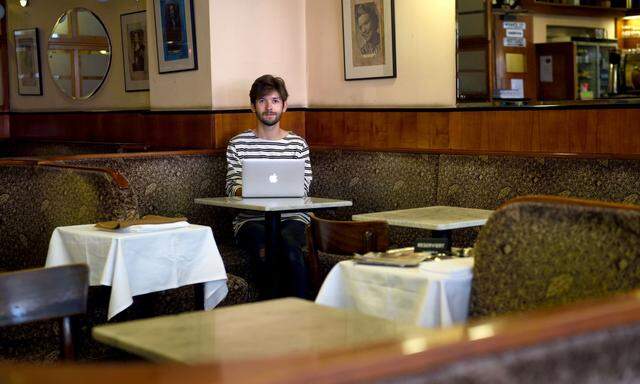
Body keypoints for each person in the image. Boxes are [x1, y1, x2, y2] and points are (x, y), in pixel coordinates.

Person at [225, 75, 312, 299]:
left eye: (275, 100)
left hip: (293, 218)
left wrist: (258, 189)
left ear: (284, 105)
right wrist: (251, 191)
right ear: (252, 106)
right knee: (266, 252)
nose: (269, 107)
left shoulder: (297, 144)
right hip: (250, 220)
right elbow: (232, 187)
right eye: (262, 101)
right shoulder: (237, 144)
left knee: (290, 249)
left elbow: (303, 187)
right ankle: (270, 321)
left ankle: (301, 317)